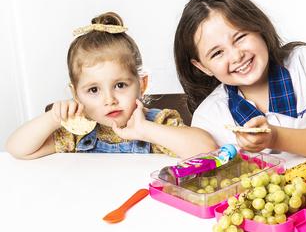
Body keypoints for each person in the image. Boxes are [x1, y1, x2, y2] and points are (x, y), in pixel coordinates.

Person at [6, 12, 217, 159]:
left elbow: (208, 149)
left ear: (142, 84)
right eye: (93, 90)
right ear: (76, 95)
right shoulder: (75, 135)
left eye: (120, 85)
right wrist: (52, 118)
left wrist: (146, 130)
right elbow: (17, 149)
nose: (109, 100)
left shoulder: (159, 123)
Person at [174, 0, 306, 164]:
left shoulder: (302, 62)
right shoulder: (208, 117)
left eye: (240, 37)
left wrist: (274, 137)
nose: (237, 56)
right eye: (217, 53)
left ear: (258, 26)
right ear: (202, 66)